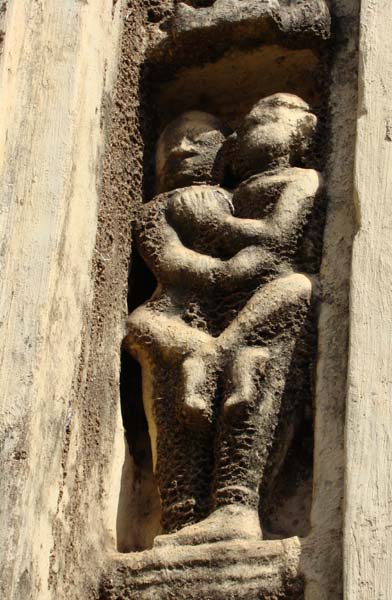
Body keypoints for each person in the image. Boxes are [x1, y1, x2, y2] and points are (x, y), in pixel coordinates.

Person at [125, 94, 323, 545]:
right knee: (149, 337)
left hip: (248, 313)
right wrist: (220, 272)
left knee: (259, 349)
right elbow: (168, 258)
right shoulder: (166, 207)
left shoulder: (294, 183)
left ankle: (235, 503)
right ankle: (183, 516)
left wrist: (228, 258)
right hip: (187, 315)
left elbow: (276, 242)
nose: (180, 150)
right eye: (168, 146)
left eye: (197, 141)